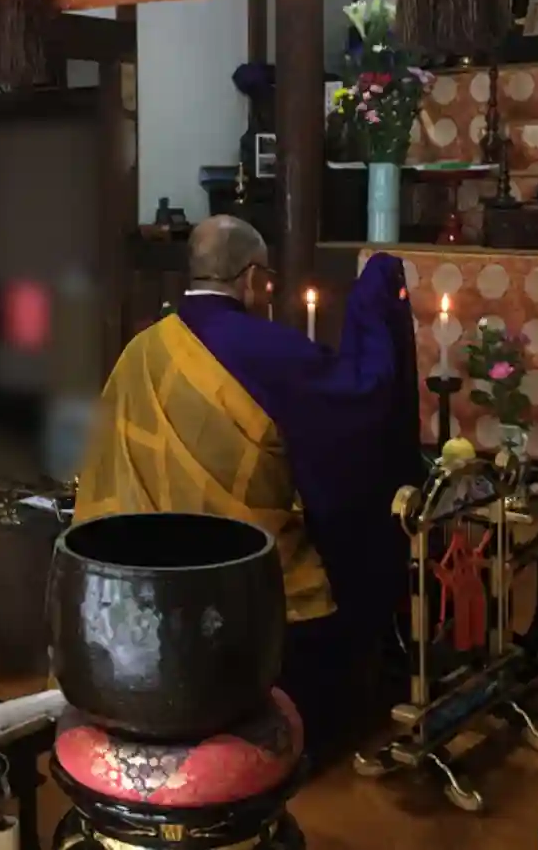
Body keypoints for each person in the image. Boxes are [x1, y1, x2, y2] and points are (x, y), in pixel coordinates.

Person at [75, 215, 424, 757]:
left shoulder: (139, 351)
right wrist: (376, 303)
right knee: (338, 590)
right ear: (255, 278)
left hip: (144, 582)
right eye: (269, 283)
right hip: (246, 587)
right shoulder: (266, 349)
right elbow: (360, 402)